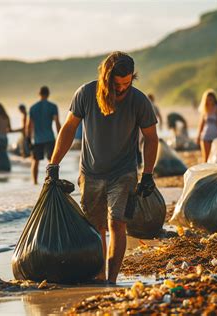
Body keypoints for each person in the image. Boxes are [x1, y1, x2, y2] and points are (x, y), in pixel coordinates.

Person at [46, 51, 159, 284]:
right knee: (96, 228)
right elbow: (68, 129)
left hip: (124, 173)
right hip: (91, 173)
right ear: (106, 77)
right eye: (117, 84)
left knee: (117, 223)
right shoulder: (86, 93)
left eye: (127, 83)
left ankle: (112, 280)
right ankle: (99, 275)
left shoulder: (139, 101)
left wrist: (147, 174)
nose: (122, 89)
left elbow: (151, 137)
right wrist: (53, 164)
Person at [27, 86, 61, 185]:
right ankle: (51, 182)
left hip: (37, 139)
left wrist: (28, 139)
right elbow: (57, 122)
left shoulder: (33, 108)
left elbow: (28, 125)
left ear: (39, 94)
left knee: (35, 161)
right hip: (49, 137)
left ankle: (35, 182)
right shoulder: (53, 106)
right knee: (51, 161)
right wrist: (60, 135)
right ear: (48, 94)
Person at [195, 90, 217, 162]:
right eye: (208, 99)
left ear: (214, 99)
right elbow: (201, 124)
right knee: (206, 158)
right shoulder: (205, 108)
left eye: (211, 99)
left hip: (215, 135)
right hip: (205, 136)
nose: (209, 101)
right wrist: (198, 136)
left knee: (215, 157)